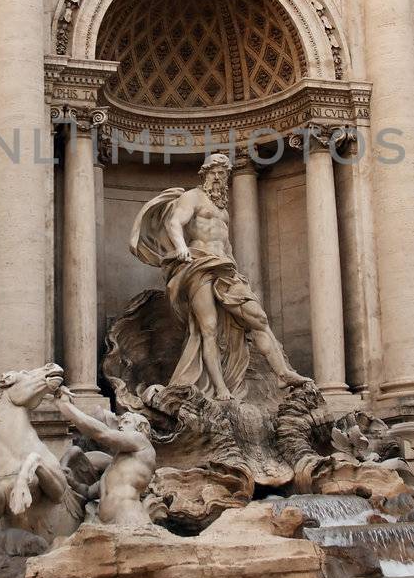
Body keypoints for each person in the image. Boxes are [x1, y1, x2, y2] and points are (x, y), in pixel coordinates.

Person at [131, 154, 305, 401]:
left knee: (259, 318)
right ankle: (220, 388)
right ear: (205, 174)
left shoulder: (223, 208)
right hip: (198, 264)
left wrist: (235, 268)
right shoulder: (192, 196)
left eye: (223, 173)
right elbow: (174, 223)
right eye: (214, 172)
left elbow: (226, 243)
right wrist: (181, 246)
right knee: (208, 328)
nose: (218, 177)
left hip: (225, 268)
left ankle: (283, 373)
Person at [53, 389, 158, 529]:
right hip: (102, 523)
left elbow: (103, 434)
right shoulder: (114, 465)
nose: (120, 425)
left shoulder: (141, 442)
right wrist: (73, 482)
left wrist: (67, 408)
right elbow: (89, 492)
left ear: (141, 428)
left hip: (128, 518)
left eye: (126, 422)